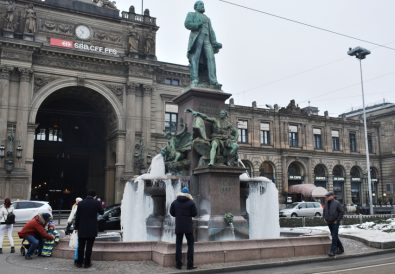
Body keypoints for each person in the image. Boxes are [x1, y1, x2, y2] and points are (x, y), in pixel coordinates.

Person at [185, 1, 222, 87]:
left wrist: (215, 42)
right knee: (195, 58)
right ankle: (195, 79)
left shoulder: (207, 19)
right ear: (195, 7)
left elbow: (211, 31)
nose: (203, 6)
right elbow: (187, 24)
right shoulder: (191, 14)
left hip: (207, 39)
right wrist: (197, 25)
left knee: (211, 58)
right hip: (197, 38)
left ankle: (213, 81)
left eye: (203, 5)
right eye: (201, 5)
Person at [170, 187, 198, 270]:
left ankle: (178, 264)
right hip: (188, 227)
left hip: (179, 226)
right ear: (188, 194)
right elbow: (194, 214)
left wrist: (178, 216)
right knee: (190, 245)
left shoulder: (175, 202)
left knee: (178, 245)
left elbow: (172, 213)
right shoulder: (191, 203)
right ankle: (190, 265)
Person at [74, 190, 104, 268]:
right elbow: (102, 212)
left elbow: (77, 217)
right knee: (89, 247)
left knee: (81, 247)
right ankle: (87, 263)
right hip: (92, 229)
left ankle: (79, 263)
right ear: (95, 196)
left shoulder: (81, 203)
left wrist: (76, 227)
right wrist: (101, 203)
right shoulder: (96, 203)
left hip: (82, 229)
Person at [323, 191, 344, 257]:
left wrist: (337, 220)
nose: (326, 198)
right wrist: (324, 218)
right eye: (326, 197)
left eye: (327, 196)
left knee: (334, 237)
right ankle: (341, 249)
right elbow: (324, 211)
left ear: (332, 196)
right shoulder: (326, 203)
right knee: (334, 236)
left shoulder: (337, 203)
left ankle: (333, 251)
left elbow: (341, 212)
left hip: (335, 223)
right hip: (329, 222)